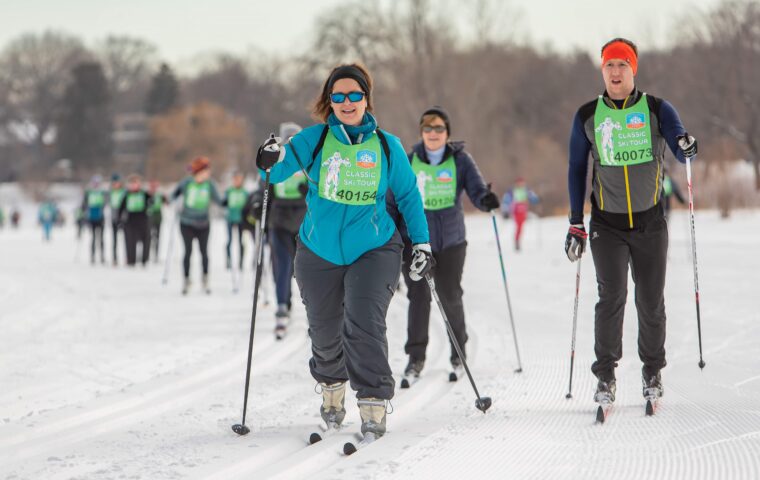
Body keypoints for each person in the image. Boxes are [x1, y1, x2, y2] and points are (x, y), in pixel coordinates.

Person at [255, 63, 430, 441]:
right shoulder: (315, 140)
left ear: (367, 98)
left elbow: (408, 195)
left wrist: (422, 242)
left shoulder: (386, 145)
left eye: (355, 95)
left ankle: (372, 401)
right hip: (318, 251)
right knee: (325, 329)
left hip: (374, 247)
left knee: (364, 321)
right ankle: (332, 390)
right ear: (329, 101)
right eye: (339, 96)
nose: (347, 102)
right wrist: (268, 158)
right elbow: (278, 168)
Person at [565, 38, 698, 407]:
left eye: (623, 64)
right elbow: (577, 169)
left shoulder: (656, 109)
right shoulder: (588, 116)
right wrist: (576, 223)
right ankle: (605, 376)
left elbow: (676, 137)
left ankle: (652, 371)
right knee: (611, 297)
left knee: (650, 301)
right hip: (606, 224)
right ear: (602, 70)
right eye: (610, 65)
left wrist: (685, 143)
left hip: (650, 222)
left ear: (633, 68)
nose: (616, 71)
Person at [387, 106, 500, 382]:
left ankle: (458, 354)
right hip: (416, 242)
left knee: (450, 296)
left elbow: (475, 189)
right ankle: (416, 358)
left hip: (451, 240)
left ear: (447, 132)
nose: (433, 133)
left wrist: (485, 199)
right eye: (428, 128)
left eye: (438, 128)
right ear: (421, 133)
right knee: (419, 298)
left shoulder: (460, 160)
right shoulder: (410, 159)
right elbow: (394, 197)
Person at [268, 122, 307, 337]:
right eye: (288, 139)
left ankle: (314, 310)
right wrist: (256, 205)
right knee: (281, 267)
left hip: (302, 221)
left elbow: (320, 186)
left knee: (304, 269)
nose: (292, 143)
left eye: (295, 139)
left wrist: (308, 188)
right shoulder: (276, 161)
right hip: (280, 220)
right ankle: (282, 305)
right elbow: (264, 187)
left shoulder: (307, 161)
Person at [171, 156, 222, 295]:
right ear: (200, 171)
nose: (209, 172)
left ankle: (205, 279)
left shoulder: (210, 184)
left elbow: (219, 200)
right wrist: (175, 201)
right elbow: (173, 195)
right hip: (186, 223)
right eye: (207, 170)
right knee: (187, 252)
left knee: (204, 252)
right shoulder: (187, 183)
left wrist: (229, 203)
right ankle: (186, 279)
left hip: (204, 223)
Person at [118, 174, 153, 267]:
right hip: (130, 221)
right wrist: (120, 221)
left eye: (136, 183)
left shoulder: (144, 194)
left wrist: (151, 197)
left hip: (143, 220)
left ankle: (144, 260)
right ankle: (131, 260)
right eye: (132, 183)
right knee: (130, 241)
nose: (134, 185)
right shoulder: (126, 195)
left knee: (146, 240)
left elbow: (152, 203)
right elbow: (121, 209)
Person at [501, 177, 540, 251]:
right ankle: (517, 241)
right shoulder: (512, 191)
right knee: (519, 226)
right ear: (516, 183)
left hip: (523, 211)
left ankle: (517, 240)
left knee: (521, 227)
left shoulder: (526, 190)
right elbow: (506, 201)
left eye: (522, 183)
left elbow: (532, 198)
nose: (521, 184)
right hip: (516, 211)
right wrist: (505, 211)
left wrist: (537, 199)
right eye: (519, 183)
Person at [222, 171, 248, 270]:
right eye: (235, 179)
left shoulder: (245, 192)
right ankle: (228, 260)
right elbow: (223, 201)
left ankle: (241, 262)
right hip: (230, 218)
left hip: (241, 219)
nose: (237, 181)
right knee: (229, 240)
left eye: (239, 179)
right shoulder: (229, 191)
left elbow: (247, 205)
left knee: (241, 241)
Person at [82, 175, 106, 264]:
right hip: (91, 218)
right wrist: (83, 215)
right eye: (94, 183)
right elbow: (83, 205)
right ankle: (92, 256)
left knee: (101, 239)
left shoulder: (102, 192)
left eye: (97, 183)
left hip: (100, 218)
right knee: (93, 238)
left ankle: (102, 256)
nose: (96, 184)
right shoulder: (88, 193)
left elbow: (105, 205)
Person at [109, 173, 126, 266]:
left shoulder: (124, 192)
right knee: (114, 240)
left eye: (117, 182)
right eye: (114, 183)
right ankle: (115, 258)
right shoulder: (110, 192)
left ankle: (127, 257)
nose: (116, 184)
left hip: (123, 218)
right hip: (113, 218)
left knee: (125, 239)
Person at [147, 180, 167, 263]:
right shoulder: (147, 195)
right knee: (149, 237)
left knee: (157, 237)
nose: (153, 189)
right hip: (149, 218)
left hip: (158, 217)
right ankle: (148, 255)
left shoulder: (159, 195)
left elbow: (166, 202)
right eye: (152, 187)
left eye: (155, 187)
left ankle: (156, 255)